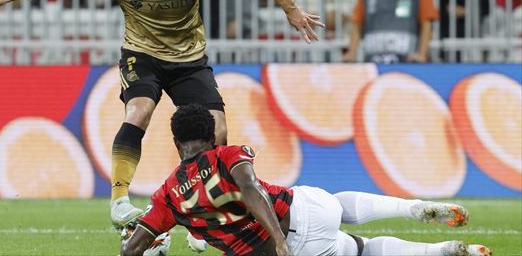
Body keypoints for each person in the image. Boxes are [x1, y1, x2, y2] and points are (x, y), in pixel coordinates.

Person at [0, 0, 322, 228]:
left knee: (217, 132)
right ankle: (120, 201)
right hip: (142, 57)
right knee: (139, 110)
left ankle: (206, 211)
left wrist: (291, 9)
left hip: (190, 60)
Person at [120, 104, 491, 256]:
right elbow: (249, 187)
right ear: (211, 135)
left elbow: (131, 249)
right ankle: (414, 208)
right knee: (337, 205)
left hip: (295, 249)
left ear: (175, 142)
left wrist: (279, 244)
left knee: (362, 250)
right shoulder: (226, 154)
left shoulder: (166, 195)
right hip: (302, 207)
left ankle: (443, 251)